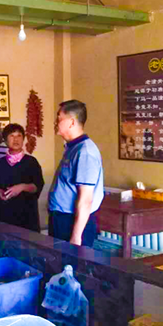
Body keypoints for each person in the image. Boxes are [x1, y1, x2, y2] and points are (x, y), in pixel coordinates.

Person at [48, 100, 104, 247]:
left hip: (72, 223)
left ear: (71, 122)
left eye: (59, 118)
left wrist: (76, 236)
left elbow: (86, 200)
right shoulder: (73, 147)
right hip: (61, 219)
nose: (55, 122)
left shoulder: (85, 152)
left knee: (72, 261)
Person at [0, 123, 44, 232]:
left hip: (27, 215)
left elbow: (37, 185)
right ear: (5, 140)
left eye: (19, 136)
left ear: (23, 139)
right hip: (5, 214)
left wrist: (22, 187)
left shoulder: (31, 162)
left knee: (28, 241)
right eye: (12, 136)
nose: (16, 139)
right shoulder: (0, 163)